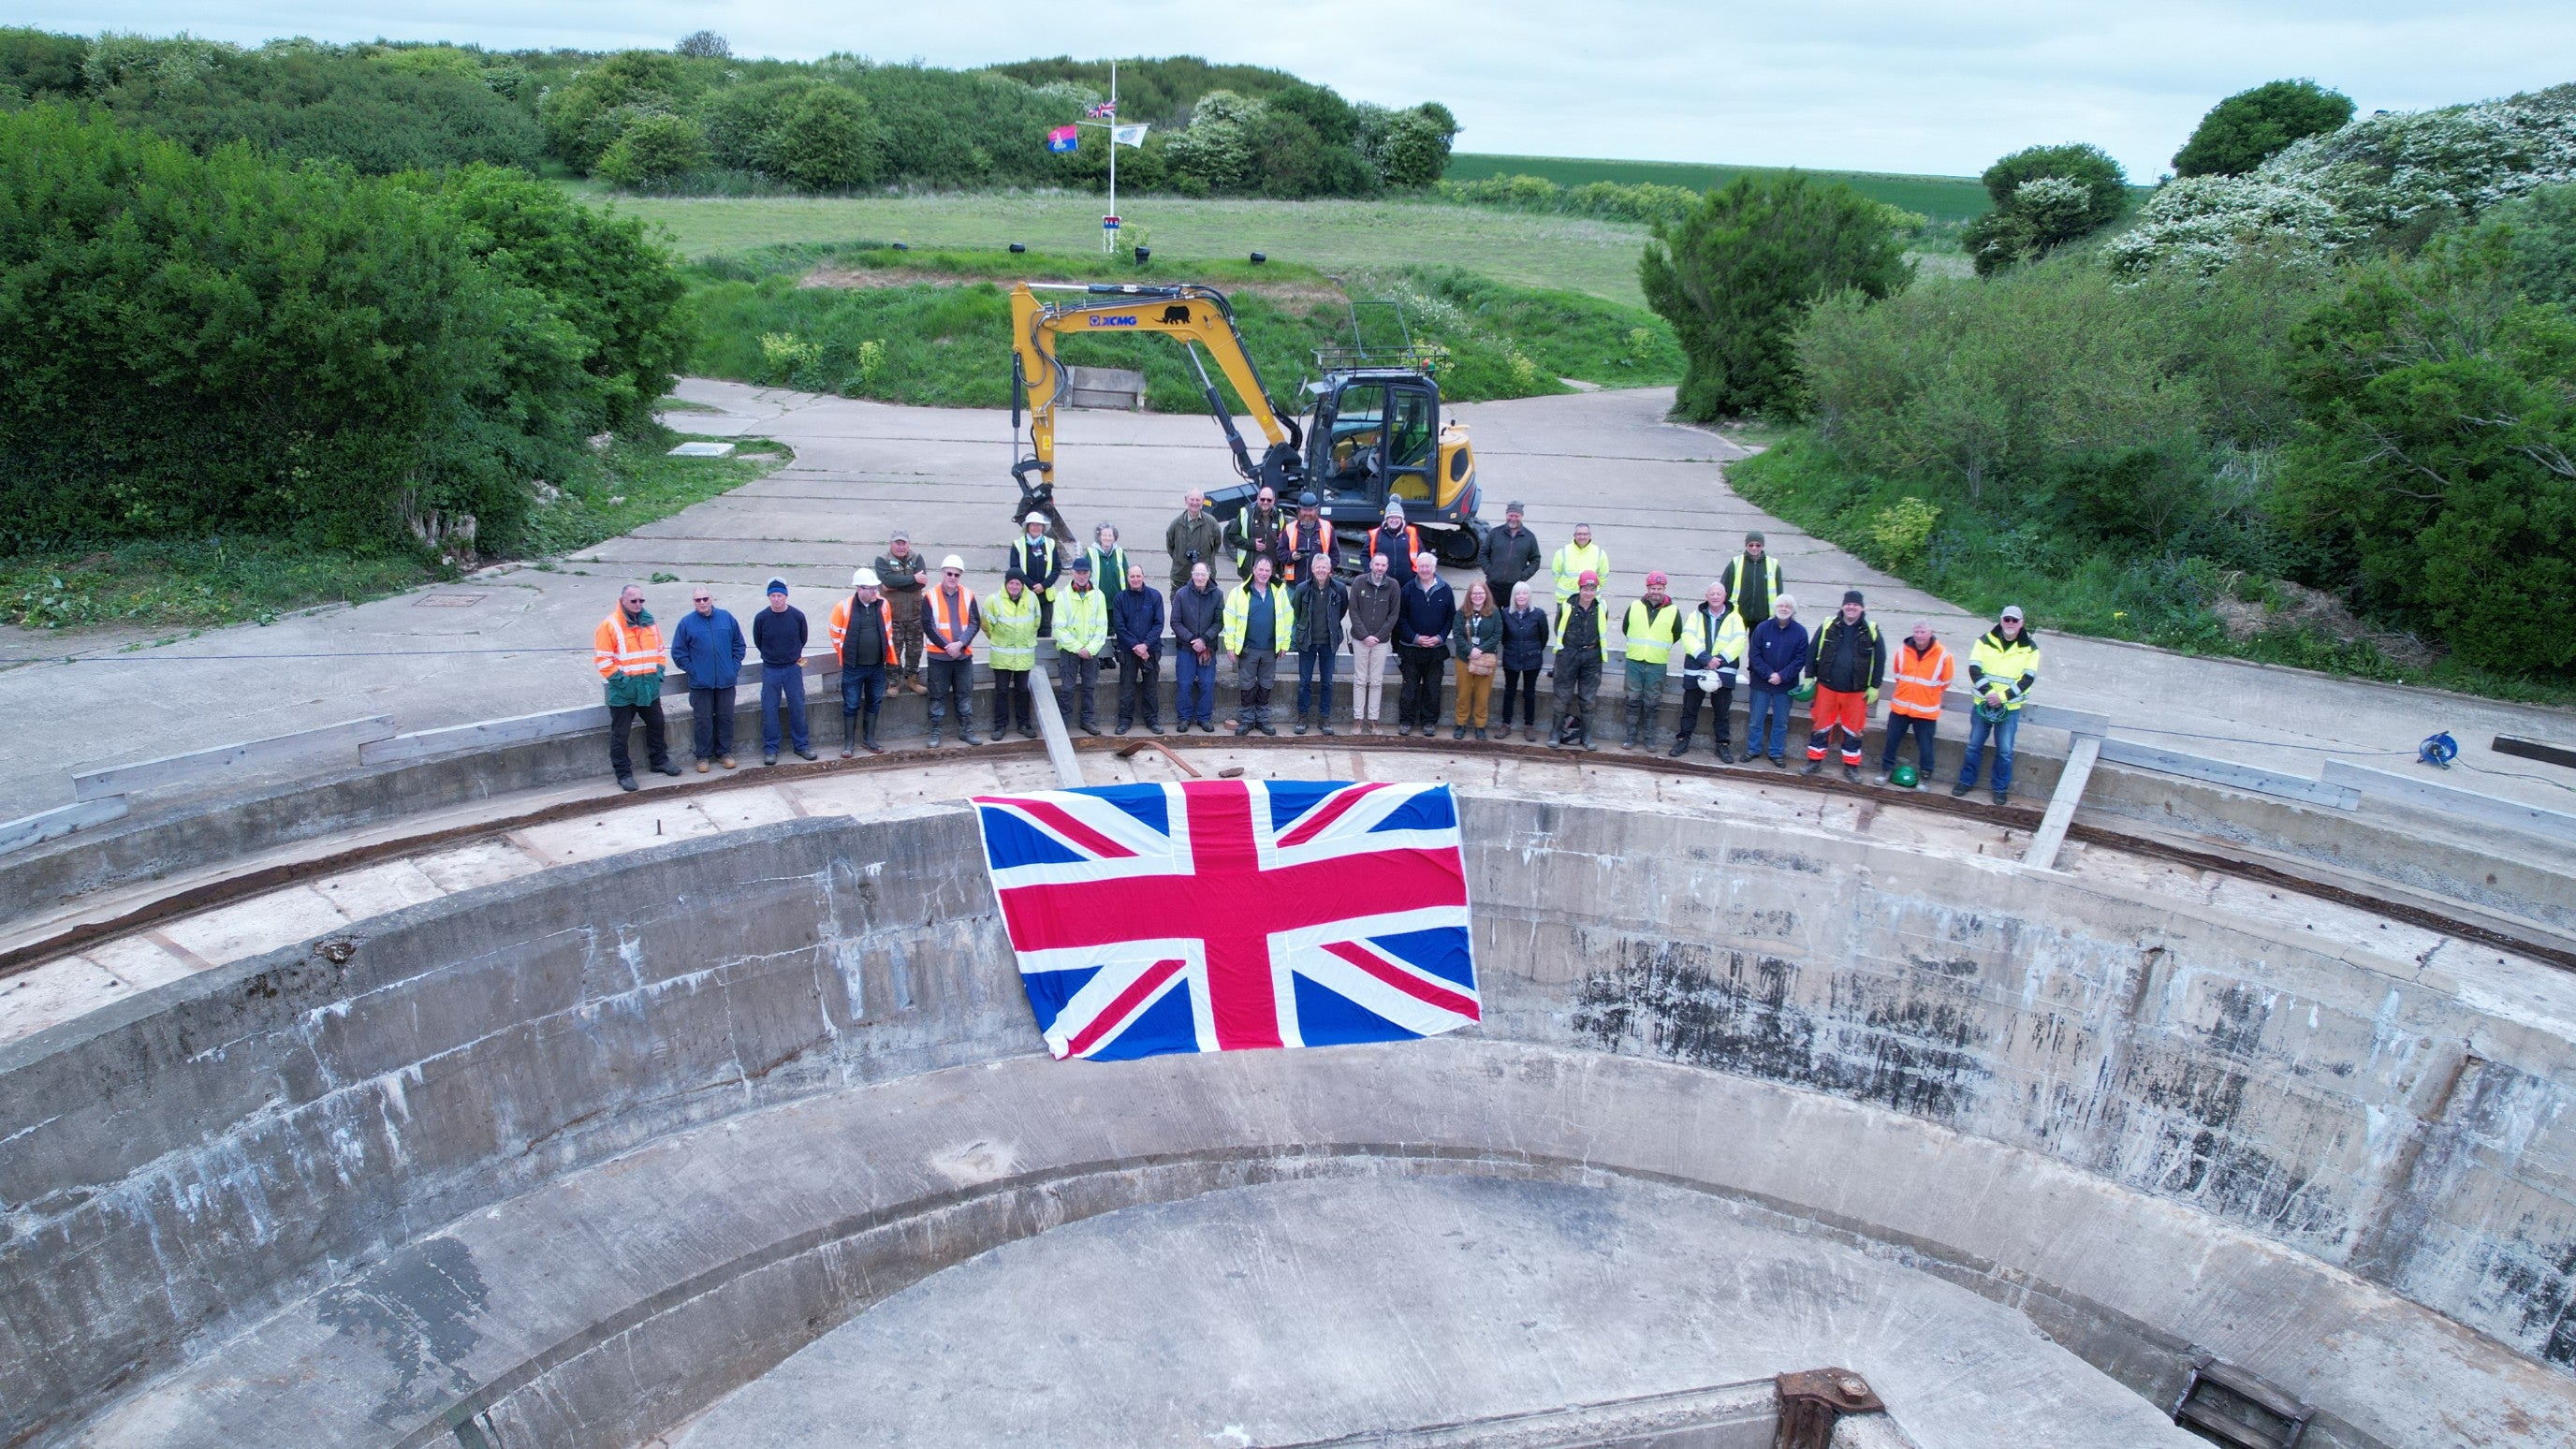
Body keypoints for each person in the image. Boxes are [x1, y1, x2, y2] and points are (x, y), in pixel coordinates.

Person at [594, 583, 683, 790]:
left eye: (641, 600)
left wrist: (659, 673)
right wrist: (622, 682)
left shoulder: (650, 623)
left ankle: (659, 761)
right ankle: (623, 774)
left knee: (657, 724)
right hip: (624, 693)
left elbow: (660, 651)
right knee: (620, 734)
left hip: (648, 688)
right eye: (633, 600)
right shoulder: (609, 625)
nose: (638, 604)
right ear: (623, 600)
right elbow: (603, 660)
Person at [1956, 605, 2042, 804]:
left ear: (2022, 623)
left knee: (2005, 751)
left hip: (2009, 709)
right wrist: (1989, 694)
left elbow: (2027, 678)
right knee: (1973, 746)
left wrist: (2001, 698)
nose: (2010, 624)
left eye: (2014, 620)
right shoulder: (1984, 641)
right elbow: (1974, 669)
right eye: (2007, 619)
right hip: (1982, 705)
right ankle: (1965, 782)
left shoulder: (2031, 649)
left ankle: (2000, 789)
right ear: (2001, 620)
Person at [1803, 590, 1885, 780]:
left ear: (1862, 608)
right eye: (1848, 604)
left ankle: (1851, 767)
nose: (1851, 607)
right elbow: (1812, 651)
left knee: (1853, 730)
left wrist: (1875, 685)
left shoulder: (1871, 629)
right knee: (1821, 726)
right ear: (1843, 606)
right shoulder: (1828, 625)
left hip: (1856, 691)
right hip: (1826, 687)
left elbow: (1880, 660)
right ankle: (1814, 762)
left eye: (1855, 605)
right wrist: (1809, 676)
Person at [667, 584, 745, 772]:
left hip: (726, 681)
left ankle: (724, 753)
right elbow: (678, 652)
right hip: (700, 684)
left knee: (726, 718)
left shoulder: (727, 618)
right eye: (698, 600)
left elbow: (739, 645)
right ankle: (703, 757)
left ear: (712, 599)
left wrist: (732, 668)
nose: (702, 602)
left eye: (705, 599)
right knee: (703, 720)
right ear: (693, 602)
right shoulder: (686, 623)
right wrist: (694, 671)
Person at [1672, 580, 1748, 761]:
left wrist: (1718, 661)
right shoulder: (1695, 615)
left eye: (1718, 594)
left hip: (1723, 671)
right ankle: (1683, 740)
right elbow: (1687, 637)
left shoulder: (1735, 618)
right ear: (1706, 596)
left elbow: (1739, 641)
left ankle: (1722, 745)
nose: (1715, 597)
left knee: (1722, 711)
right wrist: (1706, 659)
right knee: (1689, 709)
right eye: (1712, 594)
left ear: (1725, 597)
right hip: (1697, 669)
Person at [1881, 620, 1954, 787]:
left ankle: (1925, 776)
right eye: (1917, 632)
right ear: (1913, 632)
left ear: (1931, 633)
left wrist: (1926, 696)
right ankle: (1885, 770)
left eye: (1923, 632)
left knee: (1926, 747)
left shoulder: (1943, 655)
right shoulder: (1902, 651)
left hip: (1926, 711)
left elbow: (1946, 681)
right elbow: (1898, 675)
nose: (1920, 636)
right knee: (1891, 741)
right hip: (1900, 707)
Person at [919, 555, 983, 747]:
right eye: (949, 573)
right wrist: (948, 646)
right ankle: (935, 731)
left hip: (962, 657)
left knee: (964, 694)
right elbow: (928, 625)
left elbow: (974, 623)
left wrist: (960, 644)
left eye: (957, 574)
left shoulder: (968, 595)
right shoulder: (930, 596)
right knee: (937, 695)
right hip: (939, 657)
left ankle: (966, 730)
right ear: (942, 573)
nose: (953, 577)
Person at [828, 569, 893, 756]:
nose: (875, 592)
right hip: (853, 667)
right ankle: (848, 743)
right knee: (850, 704)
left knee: (874, 702)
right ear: (859, 589)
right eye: (870, 588)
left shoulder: (883, 605)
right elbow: (834, 633)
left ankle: (869, 739)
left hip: (876, 667)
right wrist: (847, 655)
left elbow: (888, 631)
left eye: (876, 588)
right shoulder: (844, 607)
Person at [752, 578, 816, 765]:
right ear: (768, 597)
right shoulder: (761, 618)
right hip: (771, 668)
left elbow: (802, 638)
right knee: (769, 709)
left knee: (797, 706)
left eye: (780, 595)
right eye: (773, 596)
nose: (776, 599)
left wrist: (792, 657)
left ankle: (802, 745)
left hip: (792, 668)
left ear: (786, 596)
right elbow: (758, 641)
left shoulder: (797, 616)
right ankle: (771, 749)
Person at [1222, 554, 1286, 735]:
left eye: (1268, 570)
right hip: (1248, 649)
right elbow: (1229, 620)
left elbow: (1288, 619)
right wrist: (1230, 646)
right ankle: (1247, 719)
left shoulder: (1279, 591)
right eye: (1261, 570)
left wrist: (1285, 644)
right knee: (1247, 685)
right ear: (1253, 570)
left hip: (1270, 649)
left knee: (1266, 684)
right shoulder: (1239, 592)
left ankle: (1263, 719)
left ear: (1271, 572)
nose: (1264, 573)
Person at [1397, 551, 1457, 737]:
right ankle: (1406, 721)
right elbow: (1401, 618)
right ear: (1417, 567)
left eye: (1427, 566)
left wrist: (1440, 637)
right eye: (1421, 566)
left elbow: (1450, 618)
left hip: (1436, 650)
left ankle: (1429, 722)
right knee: (1409, 688)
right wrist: (1415, 637)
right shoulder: (1407, 589)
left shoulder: (1445, 590)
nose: (1424, 569)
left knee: (1433, 689)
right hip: (1411, 650)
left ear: (1434, 568)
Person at [1745, 595, 1809, 768]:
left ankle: (1776, 752)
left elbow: (1800, 659)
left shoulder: (1800, 632)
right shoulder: (1762, 628)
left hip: (1786, 685)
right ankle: (1753, 749)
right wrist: (1768, 674)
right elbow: (1754, 654)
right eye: (1780, 605)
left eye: (1787, 606)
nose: (1783, 608)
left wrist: (1782, 676)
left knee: (1781, 721)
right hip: (1761, 682)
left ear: (1793, 610)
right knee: (1756, 719)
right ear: (1775, 608)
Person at [1620, 571, 1682, 749]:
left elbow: (1676, 633)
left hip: (1657, 662)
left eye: (1659, 588)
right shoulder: (1634, 606)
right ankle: (1630, 737)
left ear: (1664, 589)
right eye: (1653, 588)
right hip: (1635, 660)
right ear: (1647, 588)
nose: (1656, 592)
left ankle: (1649, 738)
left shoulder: (1673, 610)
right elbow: (1626, 628)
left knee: (1653, 701)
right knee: (1632, 698)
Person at [1290, 544, 1347, 735]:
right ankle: (1303, 717)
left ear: (1329, 570)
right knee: (1304, 681)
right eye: (1318, 567)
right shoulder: (1302, 589)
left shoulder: (1339, 589)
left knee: (1327, 682)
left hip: (1328, 643)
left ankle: (1324, 718)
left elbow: (1342, 611)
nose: (1321, 570)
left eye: (1324, 567)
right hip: (1307, 642)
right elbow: (1297, 612)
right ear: (1312, 569)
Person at [1345, 549, 1401, 734]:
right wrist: (1364, 635)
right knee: (1360, 679)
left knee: (1376, 681)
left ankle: (1374, 720)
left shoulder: (1393, 586)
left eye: (1383, 565)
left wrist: (1378, 636)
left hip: (1381, 642)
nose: (1379, 568)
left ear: (1387, 567)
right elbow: (1353, 610)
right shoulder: (1359, 582)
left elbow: (1393, 615)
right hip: (1360, 640)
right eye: (1376, 564)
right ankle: (1358, 720)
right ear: (1370, 565)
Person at [983, 571, 1041, 740]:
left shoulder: (1032, 599)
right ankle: (1000, 725)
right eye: (1011, 583)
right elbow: (986, 625)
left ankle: (1024, 724)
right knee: (1001, 690)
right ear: (1006, 583)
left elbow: (1036, 622)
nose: (1014, 587)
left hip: (1024, 654)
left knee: (1022, 690)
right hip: (1002, 655)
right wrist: (1000, 640)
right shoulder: (993, 600)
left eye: (1018, 583)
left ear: (1022, 585)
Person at [1053, 555, 1108, 735]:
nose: (1082, 576)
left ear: (1089, 573)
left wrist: (1090, 649)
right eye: (1079, 572)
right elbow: (1059, 629)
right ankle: (1063, 722)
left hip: (1091, 651)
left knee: (1089, 687)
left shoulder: (1099, 596)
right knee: (1067, 688)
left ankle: (1088, 720)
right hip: (1070, 651)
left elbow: (1102, 627)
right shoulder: (1062, 597)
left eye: (1085, 572)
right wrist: (1078, 648)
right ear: (1072, 573)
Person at [1551, 571, 1606, 749]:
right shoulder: (1567, 606)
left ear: (1596, 590)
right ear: (1580, 589)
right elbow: (1558, 627)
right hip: (1568, 654)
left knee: (1588, 698)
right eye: (1585, 589)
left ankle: (1587, 736)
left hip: (1591, 655)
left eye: (1592, 589)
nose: (1589, 593)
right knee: (1562, 695)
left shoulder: (1601, 607)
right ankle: (1556, 732)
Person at [872, 530, 929, 695]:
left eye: (903, 543)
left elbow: (921, 584)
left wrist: (893, 585)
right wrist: (913, 579)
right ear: (891, 544)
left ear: (908, 544)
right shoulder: (882, 560)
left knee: (915, 651)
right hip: (893, 616)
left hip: (915, 614)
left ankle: (912, 679)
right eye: (897, 543)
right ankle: (893, 682)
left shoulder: (917, 558)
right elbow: (887, 580)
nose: (900, 546)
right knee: (893, 651)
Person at [1112, 563, 1165, 735]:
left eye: (1138, 576)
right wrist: (1135, 645)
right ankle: (1125, 721)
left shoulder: (1155, 596)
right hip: (1128, 650)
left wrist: (1145, 645)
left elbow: (1159, 624)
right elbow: (1119, 626)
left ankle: (1152, 720)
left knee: (1151, 687)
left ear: (1143, 577)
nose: (1135, 579)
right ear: (1128, 578)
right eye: (1132, 576)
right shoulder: (1120, 598)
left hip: (1150, 650)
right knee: (1127, 687)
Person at [1170, 560, 1223, 732]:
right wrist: (1193, 639)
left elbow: (1219, 622)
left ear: (1209, 576)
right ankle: (1184, 718)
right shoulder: (1181, 594)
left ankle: (1204, 718)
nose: (1200, 577)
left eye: (1203, 574)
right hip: (1186, 648)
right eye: (1197, 574)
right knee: (1184, 684)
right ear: (1192, 576)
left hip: (1207, 648)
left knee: (1207, 684)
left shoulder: (1217, 595)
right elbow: (1175, 622)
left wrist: (1204, 640)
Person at [1499, 581, 1549, 742]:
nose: (1521, 597)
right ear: (1513, 596)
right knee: (1509, 692)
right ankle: (1506, 724)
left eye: (1524, 593)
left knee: (1530, 693)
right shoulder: (1506, 613)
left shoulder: (1539, 614)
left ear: (1529, 596)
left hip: (1532, 658)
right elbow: (1503, 637)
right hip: (1512, 656)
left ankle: (1529, 725)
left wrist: (1532, 650)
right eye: (1518, 594)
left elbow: (1544, 637)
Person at [1451, 578, 1500, 740]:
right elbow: (1457, 634)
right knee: (1463, 693)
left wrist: (1480, 649)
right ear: (1469, 595)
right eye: (1474, 593)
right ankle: (1461, 723)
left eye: (1481, 593)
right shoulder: (1461, 613)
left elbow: (1497, 634)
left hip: (1485, 659)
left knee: (1482, 695)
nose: (1478, 596)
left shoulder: (1494, 612)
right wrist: (1469, 650)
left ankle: (1480, 726)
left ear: (1486, 594)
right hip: (1465, 659)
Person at [1480, 501, 1542, 607]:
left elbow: (1535, 560)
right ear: (1506, 515)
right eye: (1510, 515)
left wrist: (1522, 576)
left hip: (1515, 588)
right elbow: (1483, 553)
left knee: (1511, 620)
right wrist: (1490, 571)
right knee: (1492, 618)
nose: (1513, 518)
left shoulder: (1529, 537)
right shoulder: (1495, 533)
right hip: (1493, 586)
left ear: (1521, 516)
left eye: (1516, 516)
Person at [1008, 512, 1061, 635]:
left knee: (1045, 630)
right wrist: (1031, 585)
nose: (1036, 527)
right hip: (1025, 595)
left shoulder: (1050, 544)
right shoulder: (1018, 545)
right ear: (1027, 526)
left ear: (1043, 527)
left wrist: (1044, 586)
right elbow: (1015, 570)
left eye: (1039, 525)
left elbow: (1056, 568)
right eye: (1033, 524)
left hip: (1045, 597)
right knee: (1025, 629)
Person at [1721, 531, 1783, 632]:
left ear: (1762, 546)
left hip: (1763, 617)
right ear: (1746, 546)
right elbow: (1724, 588)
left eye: (1758, 545)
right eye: (1751, 545)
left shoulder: (1773, 565)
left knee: (1757, 647)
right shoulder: (1735, 563)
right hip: (1738, 615)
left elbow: (1779, 593)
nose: (1754, 548)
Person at [1166, 489, 1225, 591]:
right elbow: (1171, 547)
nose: (1194, 503)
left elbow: (1216, 544)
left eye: (1198, 500)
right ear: (1186, 500)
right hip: (1181, 576)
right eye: (1192, 499)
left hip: (1205, 578)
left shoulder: (1211, 523)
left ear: (1203, 501)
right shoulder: (1176, 524)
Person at [1229, 485, 1286, 580]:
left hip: (1271, 570)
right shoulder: (1246, 513)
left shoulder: (1279, 516)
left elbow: (1286, 538)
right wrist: (1251, 544)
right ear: (1257, 498)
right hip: (1251, 569)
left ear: (1274, 500)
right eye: (1262, 499)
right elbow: (1232, 536)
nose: (1265, 502)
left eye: (1269, 500)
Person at [1280, 491, 1339, 585]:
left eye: (1310, 510)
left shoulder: (1327, 528)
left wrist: (1326, 571)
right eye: (1304, 510)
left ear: (1316, 510)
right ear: (1299, 510)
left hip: (1319, 584)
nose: (1307, 513)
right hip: (1294, 585)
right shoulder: (1289, 528)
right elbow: (1280, 552)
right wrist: (1291, 557)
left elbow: (1335, 555)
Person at [1551, 523, 1607, 607]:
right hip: (1566, 601)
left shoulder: (1599, 553)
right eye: (1579, 534)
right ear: (1574, 535)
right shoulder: (1562, 552)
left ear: (1590, 535)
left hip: (1590, 601)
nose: (1582, 537)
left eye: (1585, 534)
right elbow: (1556, 575)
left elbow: (1603, 576)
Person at [1365, 499, 1421, 575]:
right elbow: (1365, 555)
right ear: (1386, 519)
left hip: (1407, 582)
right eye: (1391, 517)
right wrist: (1370, 573)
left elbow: (1421, 555)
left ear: (1401, 519)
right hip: (1383, 582)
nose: (1394, 520)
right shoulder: (1375, 534)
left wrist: (1416, 575)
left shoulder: (1411, 533)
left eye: (1397, 517)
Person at [1084, 522, 1131, 596]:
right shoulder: (1091, 553)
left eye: (1110, 535)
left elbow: (1127, 573)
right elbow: (1084, 576)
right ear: (1099, 537)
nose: (1107, 538)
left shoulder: (1119, 552)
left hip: (1118, 598)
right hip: (1096, 598)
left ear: (1114, 538)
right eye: (1104, 535)